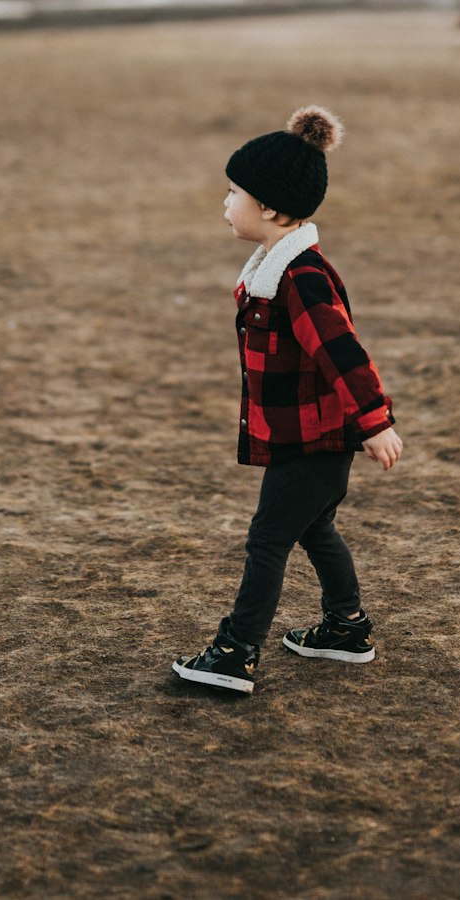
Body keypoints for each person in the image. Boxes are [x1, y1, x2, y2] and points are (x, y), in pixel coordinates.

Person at [172, 105, 403, 694]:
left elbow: (341, 351)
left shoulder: (301, 278)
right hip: (305, 436)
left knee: (268, 538)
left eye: (233, 193)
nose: (225, 203)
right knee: (314, 527)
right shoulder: (275, 270)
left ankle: (234, 652)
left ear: (270, 208)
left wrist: (375, 422)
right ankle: (346, 629)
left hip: (318, 439)